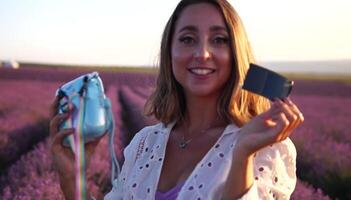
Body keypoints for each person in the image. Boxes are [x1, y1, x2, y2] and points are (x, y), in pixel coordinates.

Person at [50, 0, 304, 199]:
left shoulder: (266, 149)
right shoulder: (145, 144)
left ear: (236, 53)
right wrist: (73, 179)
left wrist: (242, 156)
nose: (202, 53)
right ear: (169, 52)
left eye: (219, 40)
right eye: (187, 39)